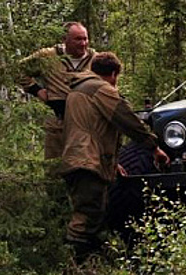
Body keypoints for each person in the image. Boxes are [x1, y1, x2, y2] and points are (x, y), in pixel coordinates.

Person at [60, 52, 169, 257]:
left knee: (94, 211)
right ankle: (74, 266)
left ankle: (88, 262)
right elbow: (126, 119)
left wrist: (112, 162)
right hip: (87, 161)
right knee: (87, 216)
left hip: (78, 158)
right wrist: (154, 147)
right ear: (113, 74)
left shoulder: (78, 89)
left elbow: (92, 128)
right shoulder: (101, 89)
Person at [19, 21, 95, 162]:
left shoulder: (96, 60)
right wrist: (36, 90)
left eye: (85, 38)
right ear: (64, 40)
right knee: (55, 168)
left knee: (86, 168)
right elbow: (18, 70)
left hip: (87, 126)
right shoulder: (48, 57)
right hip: (58, 124)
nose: (83, 43)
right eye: (78, 39)